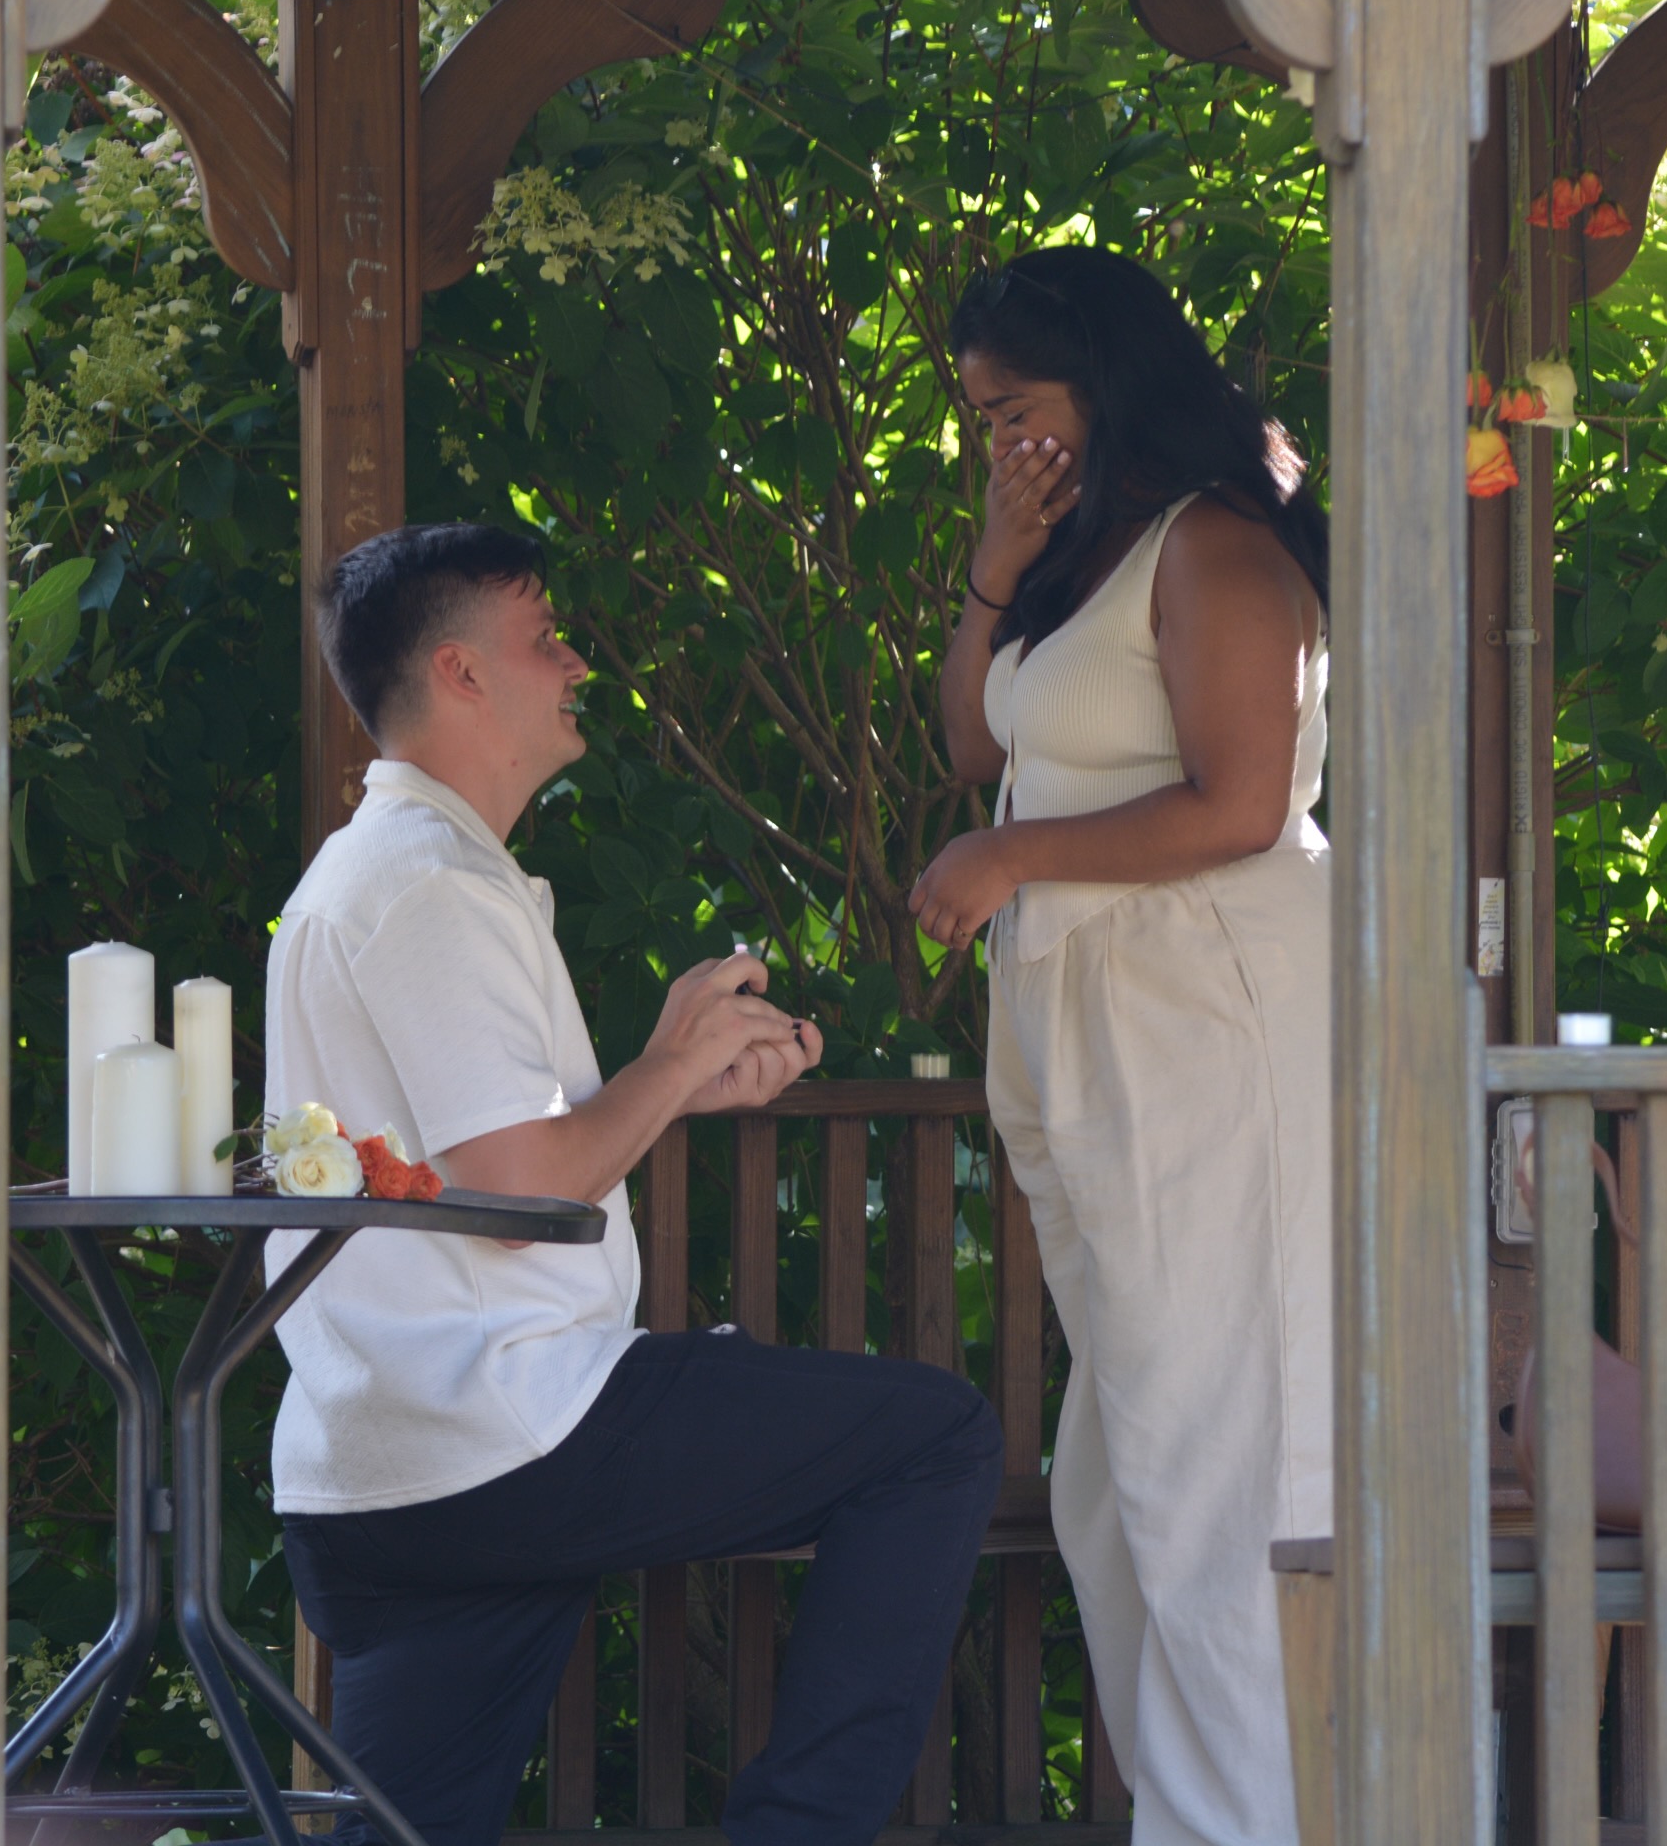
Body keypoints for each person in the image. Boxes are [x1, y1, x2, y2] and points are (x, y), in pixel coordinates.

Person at [265, 522, 1004, 1846]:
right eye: (543, 638)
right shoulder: (424, 886)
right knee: (935, 1439)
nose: (574, 663)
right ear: (460, 674)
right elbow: (522, 1192)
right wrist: (667, 1064)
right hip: (506, 1431)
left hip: (386, 1468)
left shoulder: (397, 873)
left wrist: (677, 1080)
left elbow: (500, 1152)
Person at [907, 246, 1331, 1845]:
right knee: (1119, 1476)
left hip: (1209, 1025)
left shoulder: (1217, 548)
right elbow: (975, 742)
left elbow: (1241, 802)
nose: (993, 438)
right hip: (1096, 1031)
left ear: (1104, 379)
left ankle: (1260, 1822)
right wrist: (997, 559)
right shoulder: (1086, 557)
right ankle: (1206, 1808)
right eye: (975, 417)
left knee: (1214, 1464)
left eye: (1011, 407)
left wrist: (1011, 863)